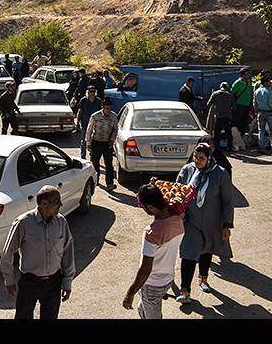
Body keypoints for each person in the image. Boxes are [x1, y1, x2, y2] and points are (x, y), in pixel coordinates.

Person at [0, 186, 75, 320]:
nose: (61, 205)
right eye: (57, 202)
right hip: (30, 282)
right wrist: (9, 280)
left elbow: (68, 251)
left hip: (54, 282)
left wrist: (67, 281)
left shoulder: (61, 221)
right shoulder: (23, 223)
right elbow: (8, 252)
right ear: (44, 204)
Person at [175, 143, 234, 303]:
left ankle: (203, 279)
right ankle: (185, 290)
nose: (197, 160)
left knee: (207, 250)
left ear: (209, 158)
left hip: (212, 221)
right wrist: (177, 212)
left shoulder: (220, 173)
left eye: (201, 158)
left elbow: (228, 201)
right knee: (188, 253)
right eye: (195, 157)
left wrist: (227, 225)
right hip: (191, 220)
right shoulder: (187, 170)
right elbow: (178, 192)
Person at [123, 183, 184, 319]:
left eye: (142, 206)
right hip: (168, 279)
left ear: (150, 207)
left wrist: (130, 293)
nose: (141, 208)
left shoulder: (152, 233)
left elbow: (145, 269)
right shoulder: (178, 219)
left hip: (152, 285)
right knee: (144, 308)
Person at [85, 98, 119, 190]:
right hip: (96, 142)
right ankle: (95, 180)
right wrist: (88, 142)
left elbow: (115, 129)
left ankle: (110, 184)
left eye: (110, 108)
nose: (108, 110)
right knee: (95, 162)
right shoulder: (95, 116)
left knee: (109, 164)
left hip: (107, 143)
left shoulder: (114, 116)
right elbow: (89, 130)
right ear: (103, 107)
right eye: (107, 108)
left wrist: (112, 140)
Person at [76, 87, 102, 161]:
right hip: (85, 123)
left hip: (95, 125)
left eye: (93, 91)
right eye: (91, 91)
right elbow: (80, 111)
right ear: (88, 92)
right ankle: (83, 157)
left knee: (93, 141)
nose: (92, 93)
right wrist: (77, 122)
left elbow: (101, 112)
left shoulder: (99, 101)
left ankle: (92, 156)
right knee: (84, 141)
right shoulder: (83, 100)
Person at [206, 82, 235, 151]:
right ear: (227, 88)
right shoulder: (230, 95)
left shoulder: (215, 94)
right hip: (228, 117)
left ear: (220, 87)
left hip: (219, 116)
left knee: (217, 133)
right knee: (228, 132)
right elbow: (234, 107)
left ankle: (217, 147)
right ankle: (229, 147)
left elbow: (208, 104)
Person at [254, 76, 272, 153]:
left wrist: (256, 112)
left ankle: (261, 147)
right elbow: (271, 105)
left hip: (260, 112)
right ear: (265, 82)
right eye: (269, 82)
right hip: (269, 113)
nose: (270, 83)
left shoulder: (257, 91)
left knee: (261, 131)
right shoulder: (268, 91)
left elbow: (255, 104)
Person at [231, 67, 253, 137]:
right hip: (239, 105)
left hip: (247, 105)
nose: (248, 75)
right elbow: (232, 94)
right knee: (237, 122)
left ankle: (242, 136)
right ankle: (236, 137)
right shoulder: (237, 83)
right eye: (247, 74)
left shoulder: (249, 82)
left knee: (244, 122)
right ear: (242, 75)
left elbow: (250, 93)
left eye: (249, 74)